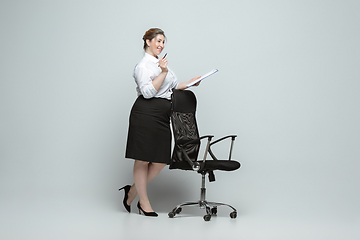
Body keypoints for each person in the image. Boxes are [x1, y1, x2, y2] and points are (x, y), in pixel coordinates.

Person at [119, 28, 201, 217]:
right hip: (145, 113)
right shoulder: (143, 66)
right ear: (147, 42)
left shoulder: (160, 64)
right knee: (142, 158)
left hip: (163, 115)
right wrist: (162, 72)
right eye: (158, 41)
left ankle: (131, 191)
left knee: (161, 160)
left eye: (163, 42)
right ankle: (144, 202)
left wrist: (190, 83)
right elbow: (148, 93)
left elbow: (173, 86)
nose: (161, 45)